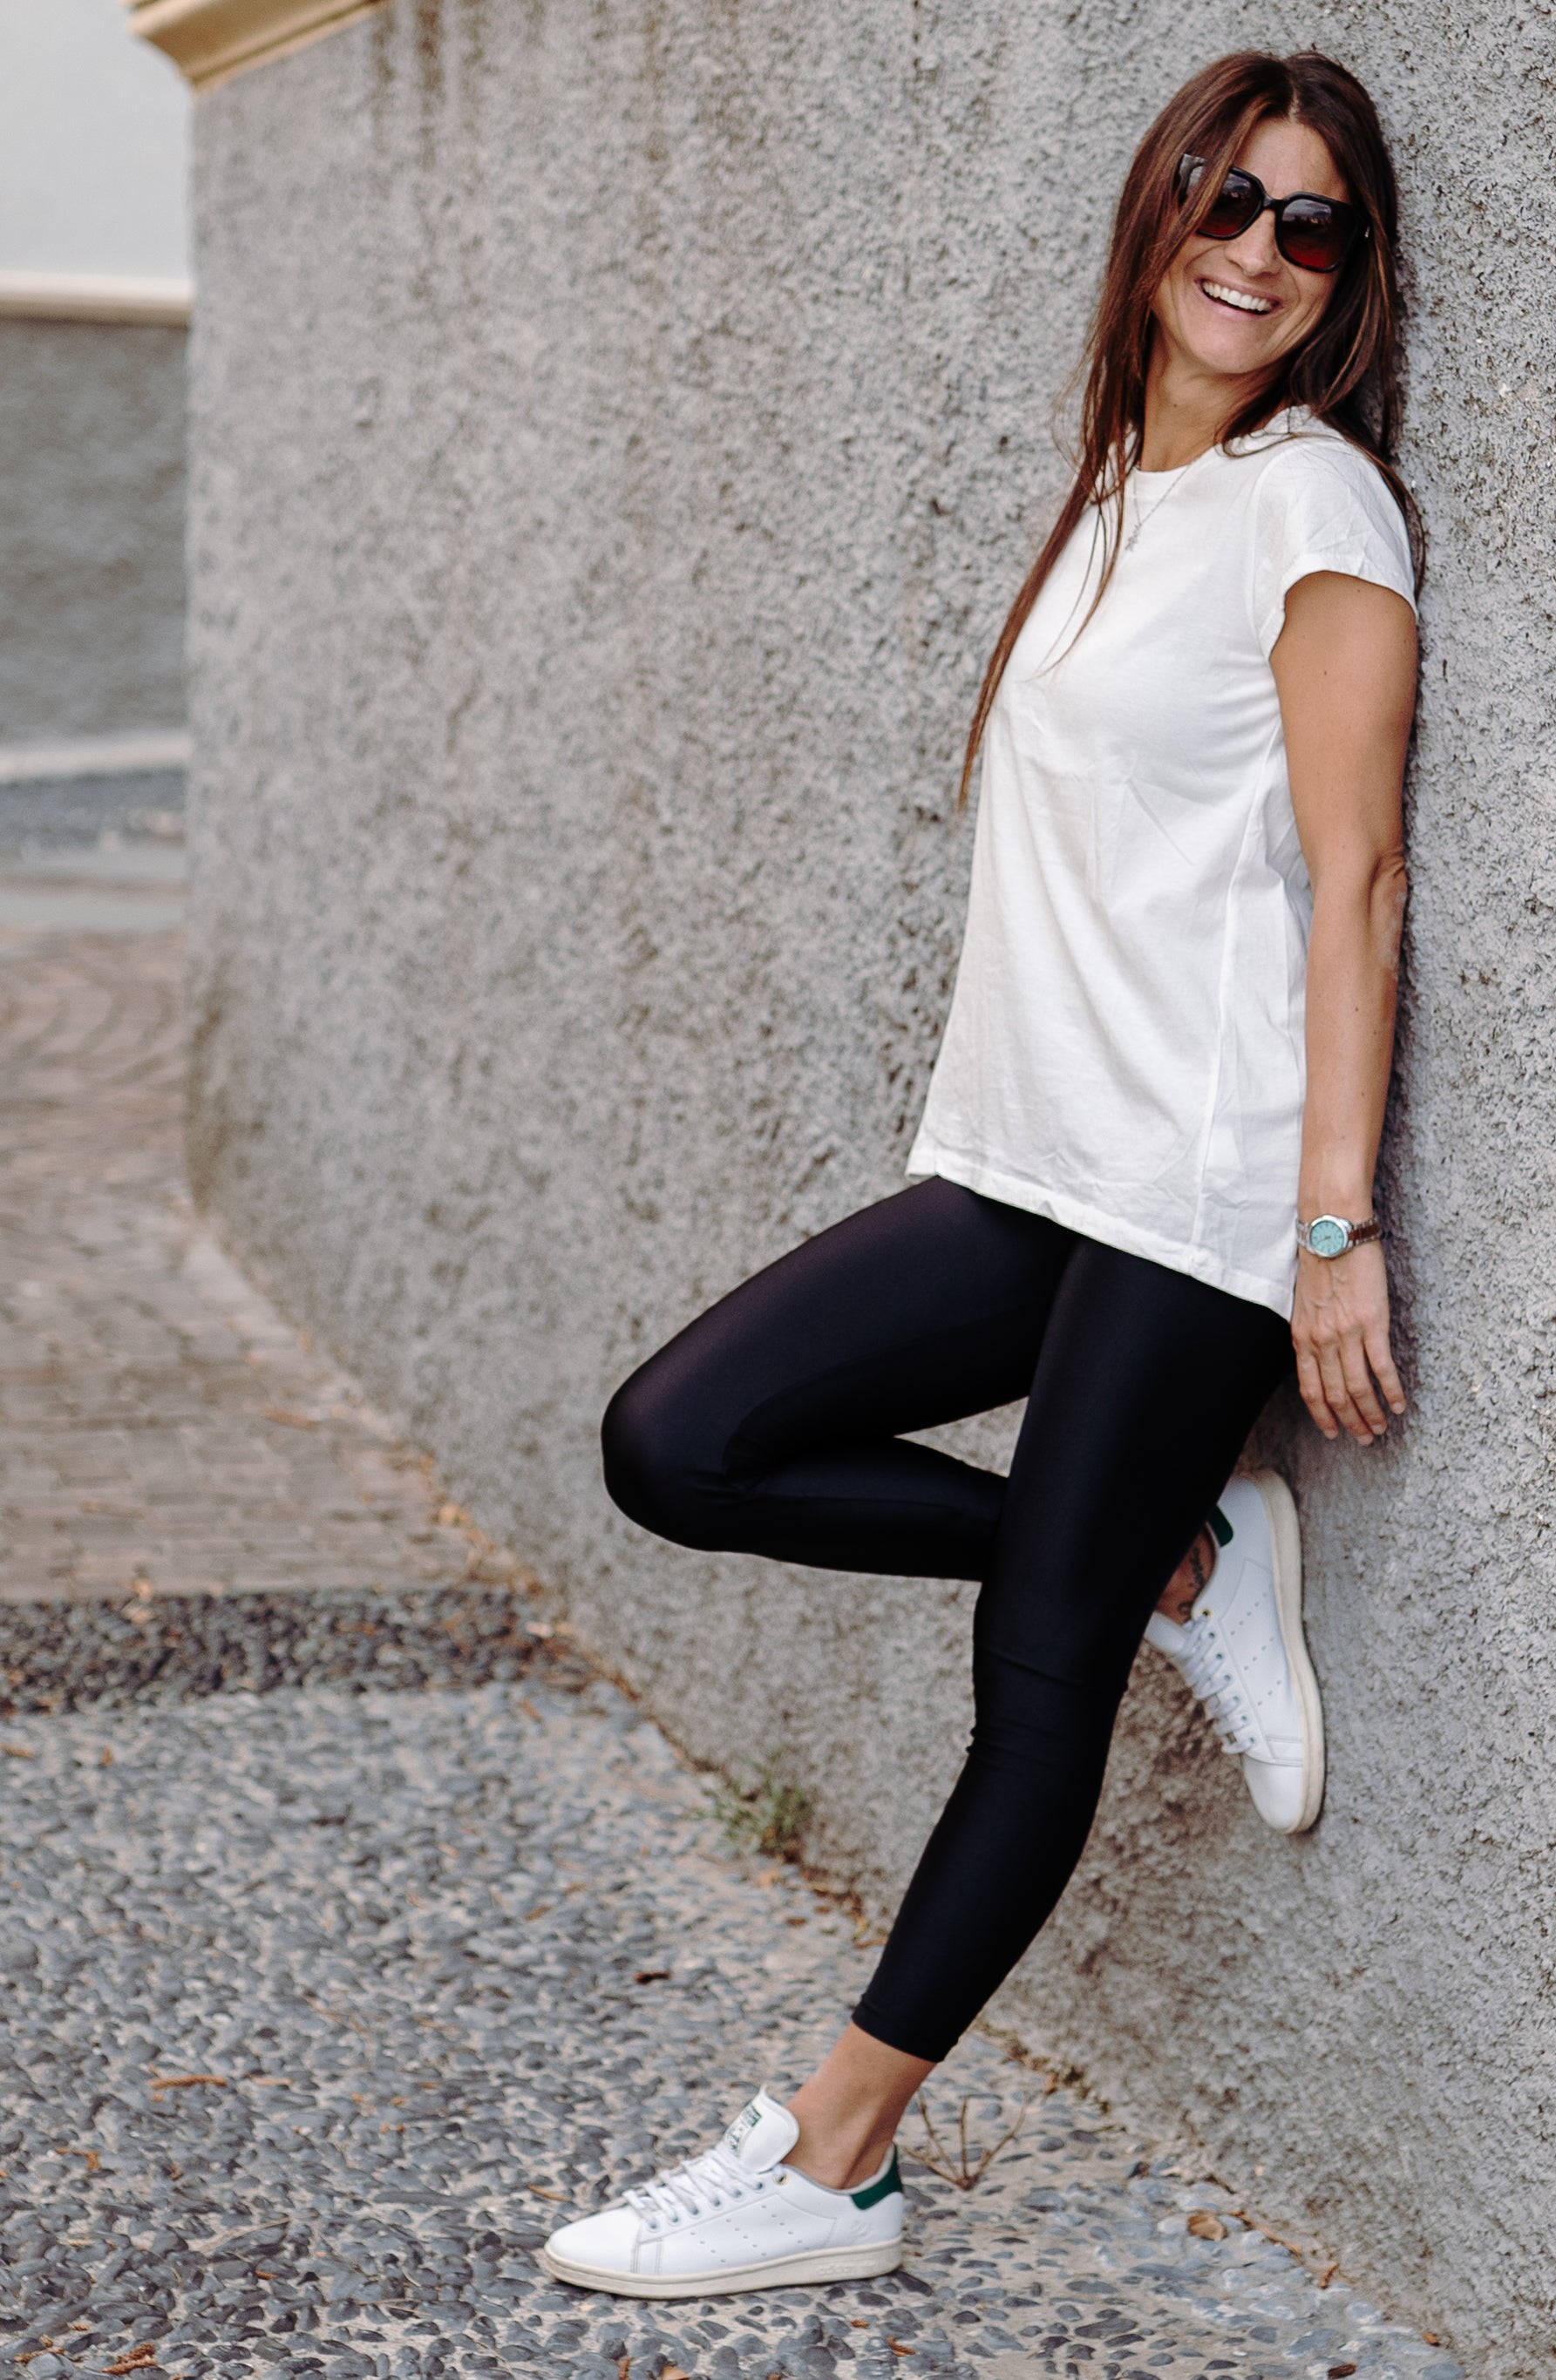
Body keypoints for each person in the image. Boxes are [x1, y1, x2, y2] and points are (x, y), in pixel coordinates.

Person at [546, 45, 1421, 2303]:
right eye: (1225, 195)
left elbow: (1357, 882)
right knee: (682, 1441)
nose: (1256, 250)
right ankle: (1169, 1556)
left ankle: (833, 2159)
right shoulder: (1124, 486)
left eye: (1310, 224)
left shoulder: (1319, 511)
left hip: (1199, 1191)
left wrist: (1329, 1230)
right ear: (1157, 209)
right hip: (1033, 1160)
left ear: (1346, 281)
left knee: (1031, 1680)